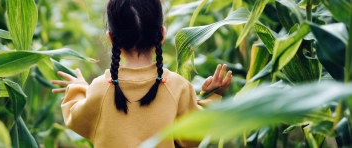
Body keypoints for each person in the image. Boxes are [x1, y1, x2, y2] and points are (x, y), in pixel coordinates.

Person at [50, 0, 233, 147]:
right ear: (162, 35)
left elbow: (76, 118)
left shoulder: (100, 89)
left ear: (111, 38)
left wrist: (78, 88)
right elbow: (194, 137)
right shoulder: (177, 87)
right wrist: (211, 97)